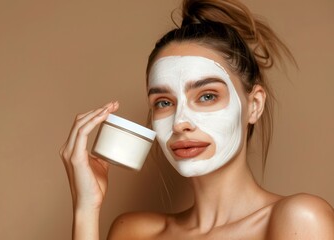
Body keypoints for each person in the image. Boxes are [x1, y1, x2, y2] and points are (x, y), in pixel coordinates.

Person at [59, 0, 334, 239]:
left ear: (254, 105)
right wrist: (86, 207)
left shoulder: (300, 219)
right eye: (164, 103)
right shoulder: (134, 231)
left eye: (207, 96)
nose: (180, 123)